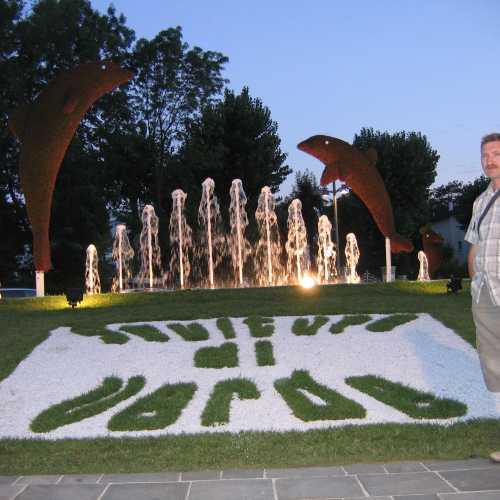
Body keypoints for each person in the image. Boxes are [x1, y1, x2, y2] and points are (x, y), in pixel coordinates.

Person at [465, 133, 500, 463]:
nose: (490, 160)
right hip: (486, 294)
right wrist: (475, 285)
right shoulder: (481, 201)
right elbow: (473, 246)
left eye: (497, 154)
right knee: (495, 366)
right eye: (485, 155)